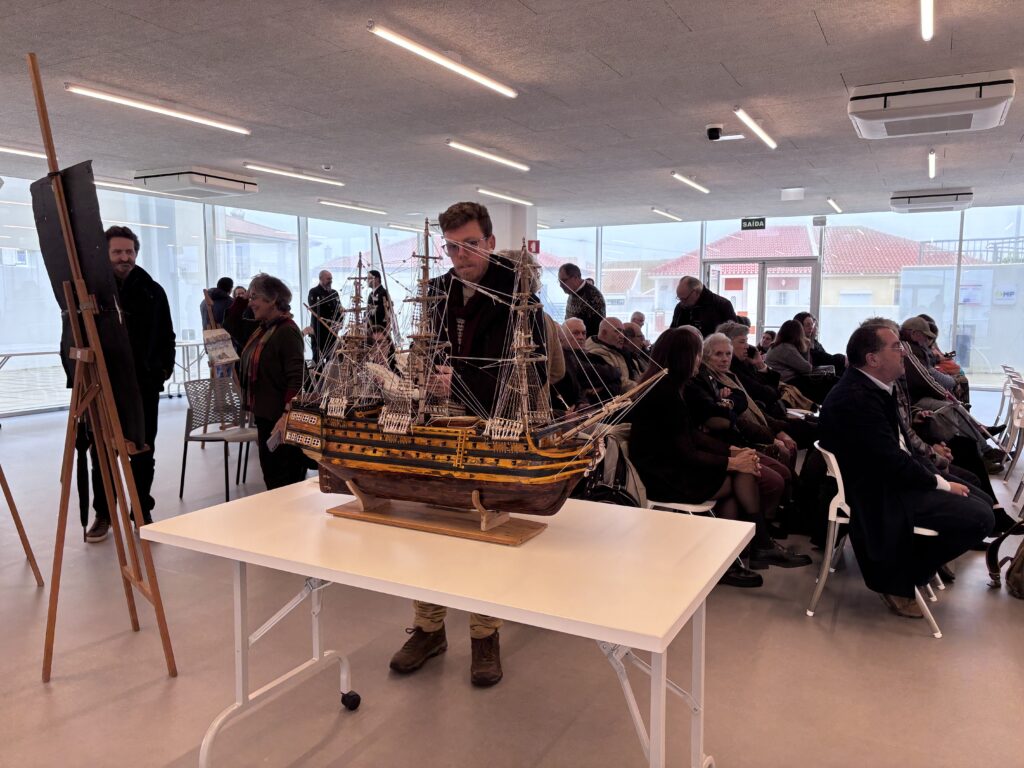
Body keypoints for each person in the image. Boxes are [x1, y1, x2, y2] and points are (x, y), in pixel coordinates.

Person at [390, 201, 539, 688]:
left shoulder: (519, 294)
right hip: (436, 422)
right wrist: (417, 373)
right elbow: (421, 352)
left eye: (470, 244)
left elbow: (530, 371)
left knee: (484, 533)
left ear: (490, 242)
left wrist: (459, 379)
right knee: (427, 528)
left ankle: (484, 635)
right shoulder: (437, 291)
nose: (460, 256)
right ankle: (429, 628)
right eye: (451, 247)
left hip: (493, 425)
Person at [818, 325, 993, 618]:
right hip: (878, 490)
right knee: (980, 519)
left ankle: (914, 564)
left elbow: (900, 449)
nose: (904, 353)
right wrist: (940, 483)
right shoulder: (856, 398)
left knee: (982, 500)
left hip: (892, 477)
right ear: (873, 359)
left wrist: (934, 469)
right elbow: (889, 461)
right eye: (896, 347)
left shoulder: (872, 387)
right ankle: (900, 581)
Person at [627, 328, 809, 589]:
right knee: (741, 474)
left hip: (670, 467)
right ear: (682, 357)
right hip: (662, 476)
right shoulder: (664, 394)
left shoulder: (669, 388)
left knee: (738, 480)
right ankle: (757, 547)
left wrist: (731, 451)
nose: (698, 361)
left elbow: (691, 437)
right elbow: (686, 451)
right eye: (696, 355)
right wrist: (732, 461)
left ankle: (731, 559)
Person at [84, 226, 176, 542]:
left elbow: (167, 336)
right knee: (102, 453)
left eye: (129, 252)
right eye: (118, 252)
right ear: (106, 254)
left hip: (143, 388)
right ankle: (104, 514)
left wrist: (160, 372)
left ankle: (141, 511)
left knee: (143, 450)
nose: (125, 258)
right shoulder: (92, 293)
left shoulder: (152, 291)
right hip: (103, 387)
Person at [223, 274, 308, 490]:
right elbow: (230, 323)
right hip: (265, 417)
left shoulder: (286, 331)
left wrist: (287, 414)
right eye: (251, 298)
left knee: (283, 482)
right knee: (273, 479)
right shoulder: (262, 329)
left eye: (256, 297)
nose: (251, 303)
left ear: (273, 300)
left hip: (281, 421)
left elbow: (297, 377)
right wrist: (243, 298)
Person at [765, 319, 836, 403]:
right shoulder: (787, 348)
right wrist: (807, 348)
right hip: (789, 383)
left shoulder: (778, 346)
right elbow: (807, 368)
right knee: (830, 383)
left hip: (783, 381)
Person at [669, 276, 736, 336]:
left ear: (695, 292)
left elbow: (734, 335)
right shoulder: (680, 307)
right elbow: (673, 332)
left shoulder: (722, 305)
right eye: (679, 298)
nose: (682, 303)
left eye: (684, 299)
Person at [584, 317, 636, 394]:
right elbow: (619, 382)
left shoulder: (618, 350)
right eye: (617, 331)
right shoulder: (594, 355)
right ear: (604, 333)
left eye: (622, 331)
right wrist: (642, 387)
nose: (622, 336)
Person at [558, 262, 605, 337]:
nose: (560, 285)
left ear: (576, 278)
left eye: (564, 281)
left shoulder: (593, 296)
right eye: (559, 281)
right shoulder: (572, 292)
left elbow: (595, 332)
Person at [793, 311, 846, 376]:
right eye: (807, 325)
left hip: (821, 371)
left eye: (812, 325)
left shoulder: (815, 342)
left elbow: (826, 358)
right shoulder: (798, 345)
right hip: (811, 375)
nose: (811, 328)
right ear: (799, 327)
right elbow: (817, 358)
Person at [307, 270, 340, 365]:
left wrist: (339, 322)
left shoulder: (334, 293)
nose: (330, 281)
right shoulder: (314, 292)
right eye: (328, 279)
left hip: (332, 331)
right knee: (318, 359)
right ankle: (318, 375)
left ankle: (330, 374)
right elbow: (315, 310)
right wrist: (330, 321)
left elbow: (339, 309)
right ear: (321, 279)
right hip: (319, 330)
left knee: (332, 359)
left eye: (331, 279)